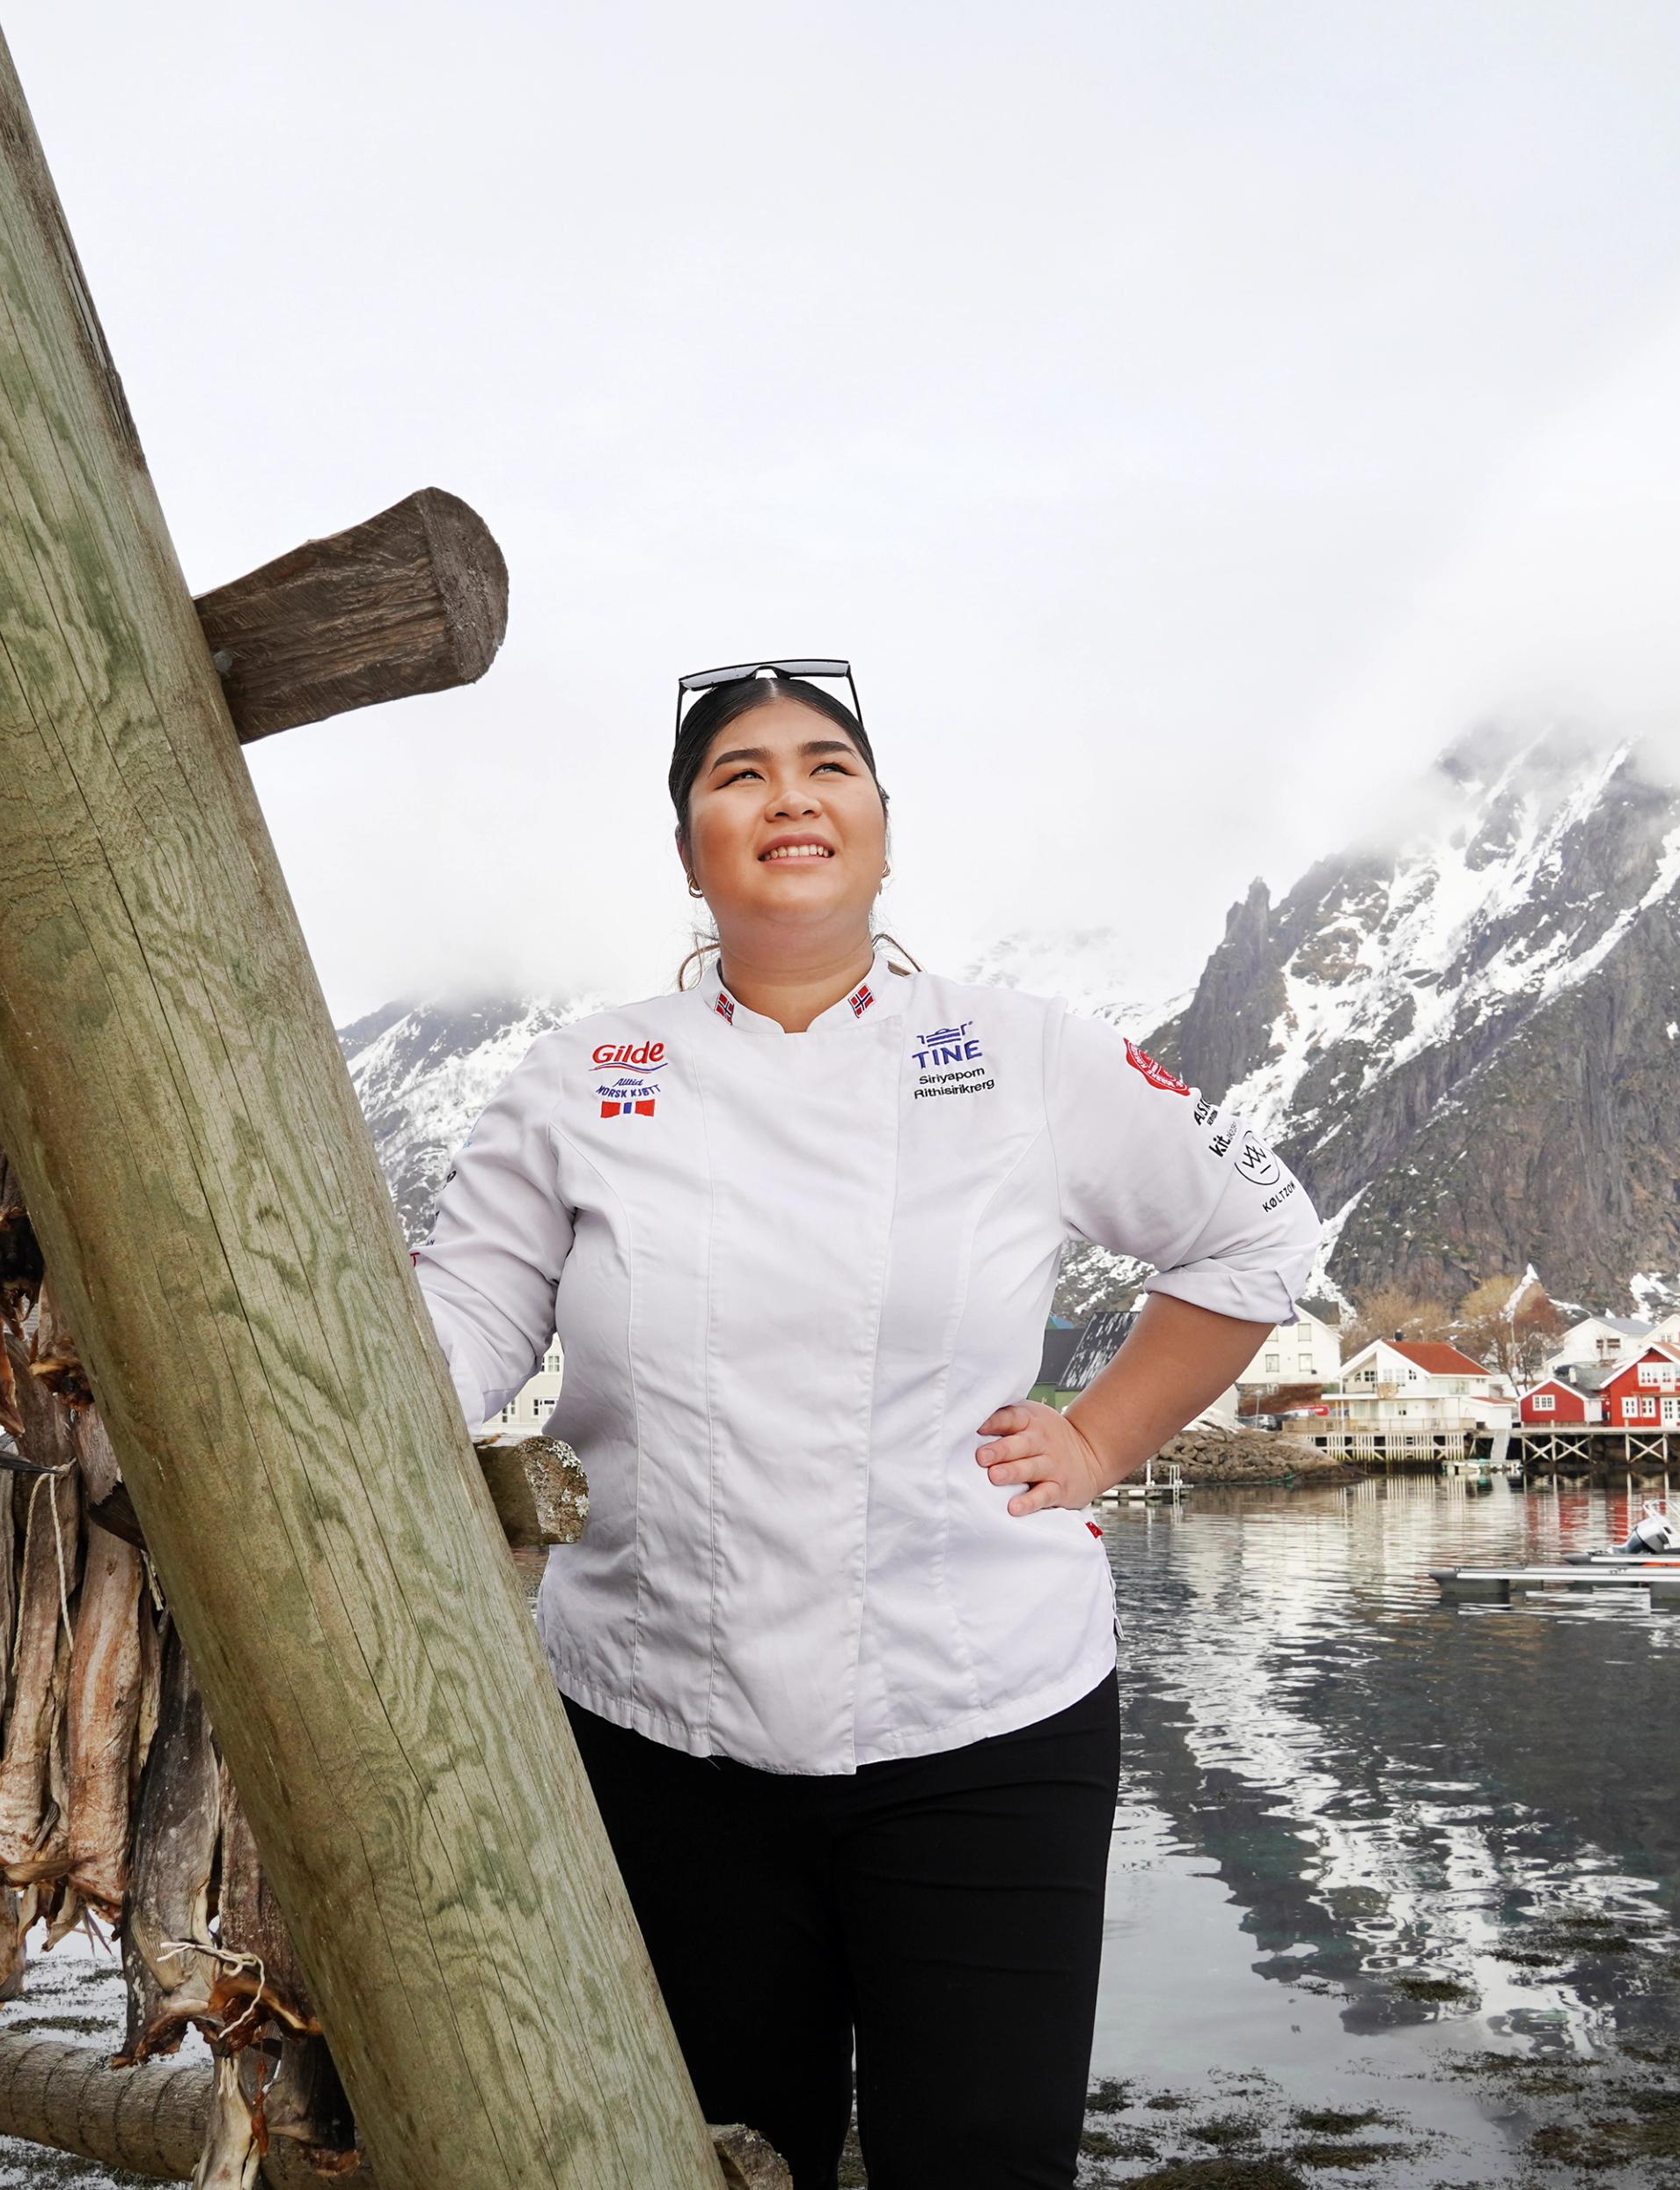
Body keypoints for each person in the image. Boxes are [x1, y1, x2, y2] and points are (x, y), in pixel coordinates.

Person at [415, 661, 1323, 2188]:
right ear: (690, 847)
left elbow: (1258, 1236)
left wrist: (1100, 1440)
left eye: (828, 766)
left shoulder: (1025, 1050)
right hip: (657, 1728)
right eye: (739, 773)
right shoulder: (582, 1078)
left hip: (983, 1720)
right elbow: (457, 1333)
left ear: (884, 831)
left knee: (978, 2162)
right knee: (710, 2158)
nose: (789, 795)